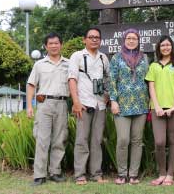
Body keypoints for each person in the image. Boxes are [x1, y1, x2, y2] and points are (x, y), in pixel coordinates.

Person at [68, 27, 110, 185]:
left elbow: (108, 78)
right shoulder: (77, 56)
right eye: (91, 37)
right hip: (83, 104)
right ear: (84, 39)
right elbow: (72, 79)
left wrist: (107, 95)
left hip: (100, 105)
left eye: (97, 37)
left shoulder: (103, 58)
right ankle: (79, 174)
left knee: (97, 140)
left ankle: (96, 174)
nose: (94, 40)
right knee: (81, 140)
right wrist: (76, 102)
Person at [26, 33, 69, 186]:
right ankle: (39, 175)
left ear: (61, 45)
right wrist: (30, 106)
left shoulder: (68, 64)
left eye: (56, 43)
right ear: (45, 46)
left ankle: (55, 172)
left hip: (62, 104)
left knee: (59, 139)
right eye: (50, 43)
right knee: (42, 140)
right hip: (44, 105)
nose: (53, 46)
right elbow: (31, 85)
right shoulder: (39, 65)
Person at [145, 35, 174, 186]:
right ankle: (161, 173)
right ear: (159, 48)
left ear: (172, 47)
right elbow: (151, 87)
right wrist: (156, 106)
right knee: (160, 141)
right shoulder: (154, 66)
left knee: (172, 140)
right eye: (163, 45)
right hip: (157, 109)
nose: (165, 47)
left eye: (168, 45)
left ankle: (170, 175)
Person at [109, 29, 149, 185]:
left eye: (134, 38)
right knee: (123, 140)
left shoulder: (145, 57)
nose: (131, 41)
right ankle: (122, 173)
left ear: (138, 41)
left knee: (137, 140)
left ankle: (133, 174)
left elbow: (149, 80)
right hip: (122, 105)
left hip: (141, 104)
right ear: (124, 40)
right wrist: (113, 100)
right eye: (129, 38)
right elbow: (112, 80)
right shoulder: (116, 58)